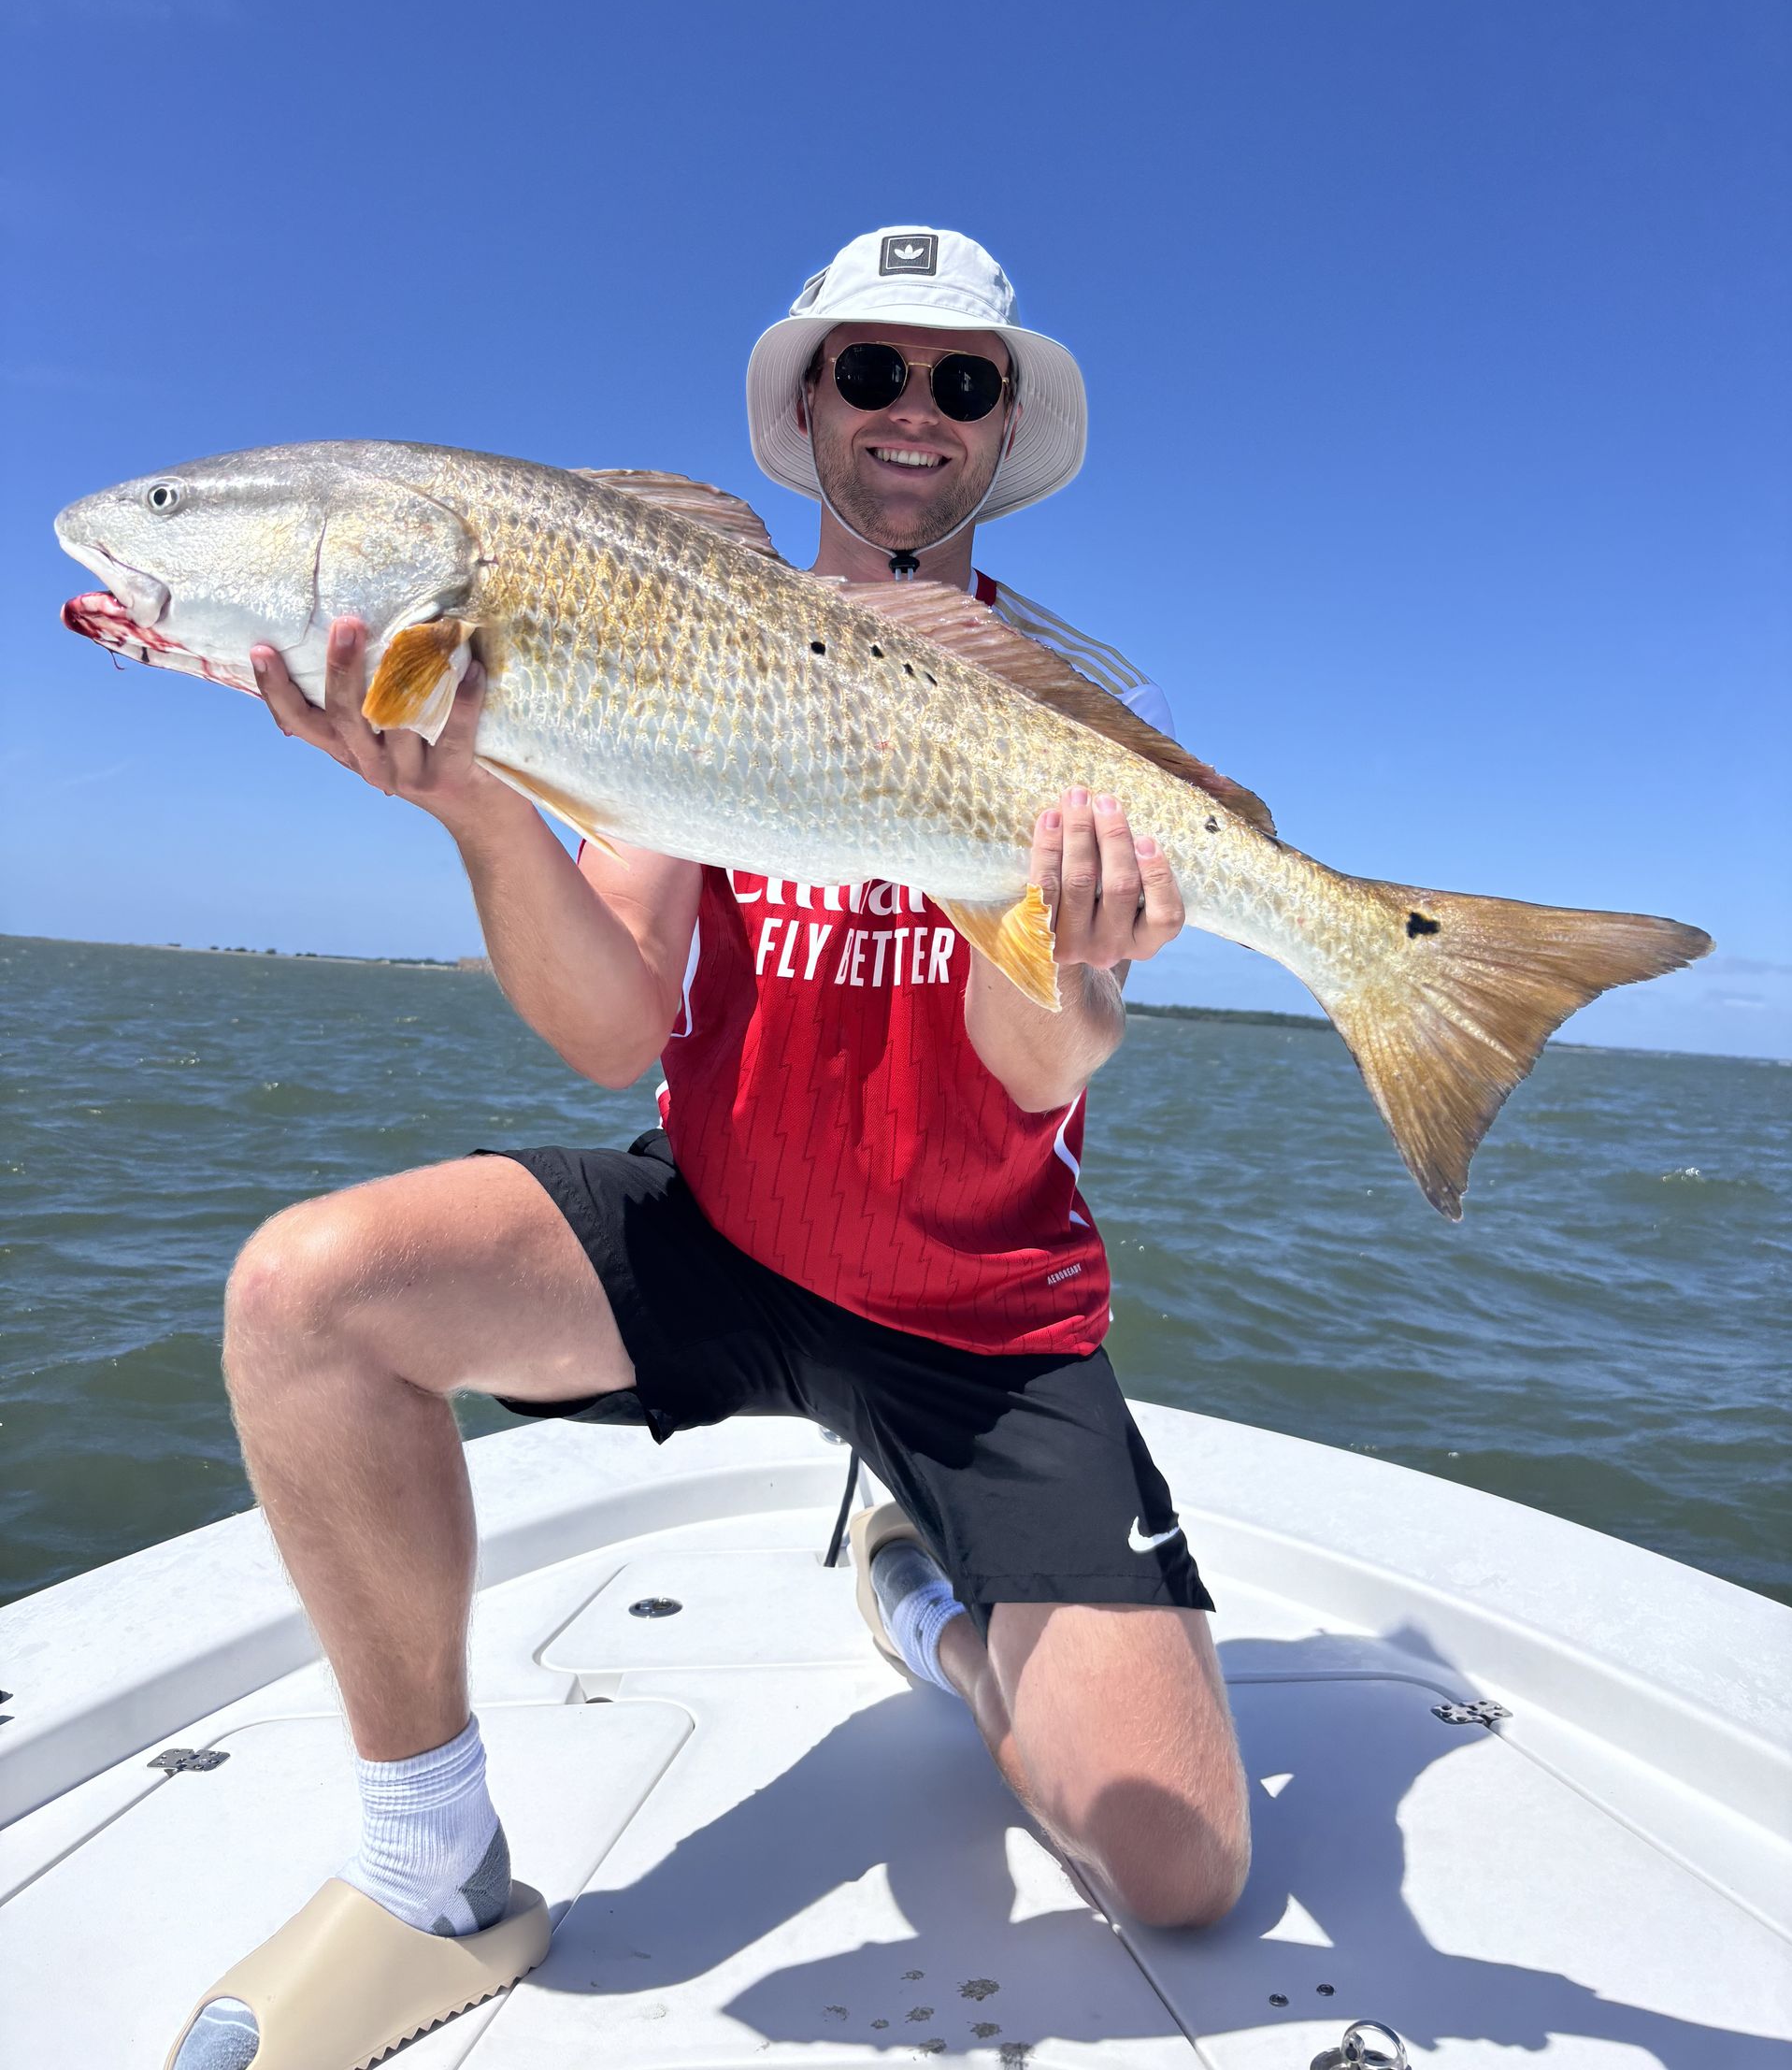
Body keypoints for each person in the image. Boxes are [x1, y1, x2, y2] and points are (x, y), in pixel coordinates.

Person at [167, 228, 1252, 2070]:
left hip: (977, 1318)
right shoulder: (677, 644)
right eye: (873, 372)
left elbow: (1036, 1069)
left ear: (1000, 430)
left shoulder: (1066, 742)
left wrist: (1070, 959)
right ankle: (431, 1872)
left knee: (1184, 1867)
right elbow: (610, 1026)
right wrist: (485, 810)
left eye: (961, 380)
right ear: (811, 406)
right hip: (724, 1234)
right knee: (305, 1295)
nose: (914, 413)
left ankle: (922, 1600)